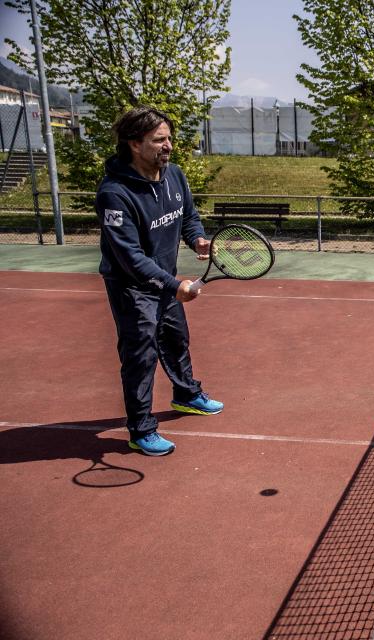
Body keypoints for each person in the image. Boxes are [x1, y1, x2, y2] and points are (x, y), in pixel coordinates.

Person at [95, 106, 223, 456]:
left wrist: (196, 238)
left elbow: (188, 216)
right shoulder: (114, 193)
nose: (168, 146)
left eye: (169, 138)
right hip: (131, 288)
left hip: (164, 281)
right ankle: (140, 429)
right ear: (135, 144)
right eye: (159, 140)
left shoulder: (174, 175)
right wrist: (175, 285)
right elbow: (129, 258)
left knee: (176, 339)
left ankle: (186, 395)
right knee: (141, 356)